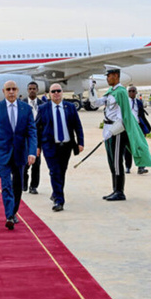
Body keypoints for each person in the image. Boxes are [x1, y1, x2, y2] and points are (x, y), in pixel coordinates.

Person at [89, 67, 151, 201]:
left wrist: (112, 132)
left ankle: (120, 191)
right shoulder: (111, 92)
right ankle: (115, 189)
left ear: (116, 76)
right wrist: (91, 90)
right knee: (111, 161)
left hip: (117, 132)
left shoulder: (121, 92)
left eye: (109, 76)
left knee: (117, 161)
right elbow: (96, 103)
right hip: (108, 129)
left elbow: (123, 117)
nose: (107, 79)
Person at [0, 80, 37, 230]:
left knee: (18, 185)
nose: (11, 92)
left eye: (14, 89)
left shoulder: (26, 109)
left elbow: (32, 133)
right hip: (2, 153)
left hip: (20, 153)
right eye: (8, 89)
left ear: (18, 90)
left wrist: (32, 152)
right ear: (3, 91)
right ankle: (9, 215)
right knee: (6, 184)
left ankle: (13, 211)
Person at [36, 83, 84, 211]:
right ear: (49, 94)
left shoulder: (70, 107)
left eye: (58, 91)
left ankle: (55, 192)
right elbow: (37, 129)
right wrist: (37, 146)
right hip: (49, 146)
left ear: (62, 92)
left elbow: (77, 126)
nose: (56, 93)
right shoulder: (43, 108)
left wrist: (80, 142)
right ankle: (59, 200)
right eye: (53, 91)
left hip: (66, 146)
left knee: (62, 171)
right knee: (54, 171)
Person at [22, 81, 45, 194]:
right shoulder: (22, 103)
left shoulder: (43, 104)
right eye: (30, 88)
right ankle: (24, 184)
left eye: (34, 89)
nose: (32, 90)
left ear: (37, 90)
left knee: (36, 165)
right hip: (24, 140)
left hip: (37, 140)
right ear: (27, 90)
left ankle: (34, 186)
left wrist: (39, 145)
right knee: (24, 165)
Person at [125, 85, 151, 175]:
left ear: (136, 93)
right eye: (130, 91)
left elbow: (142, 115)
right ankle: (128, 167)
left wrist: (145, 129)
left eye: (133, 91)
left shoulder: (139, 102)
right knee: (128, 148)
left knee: (141, 147)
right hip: (129, 127)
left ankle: (141, 167)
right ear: (128, 93)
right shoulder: (125, 102)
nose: (132, 93)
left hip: (138, 126)